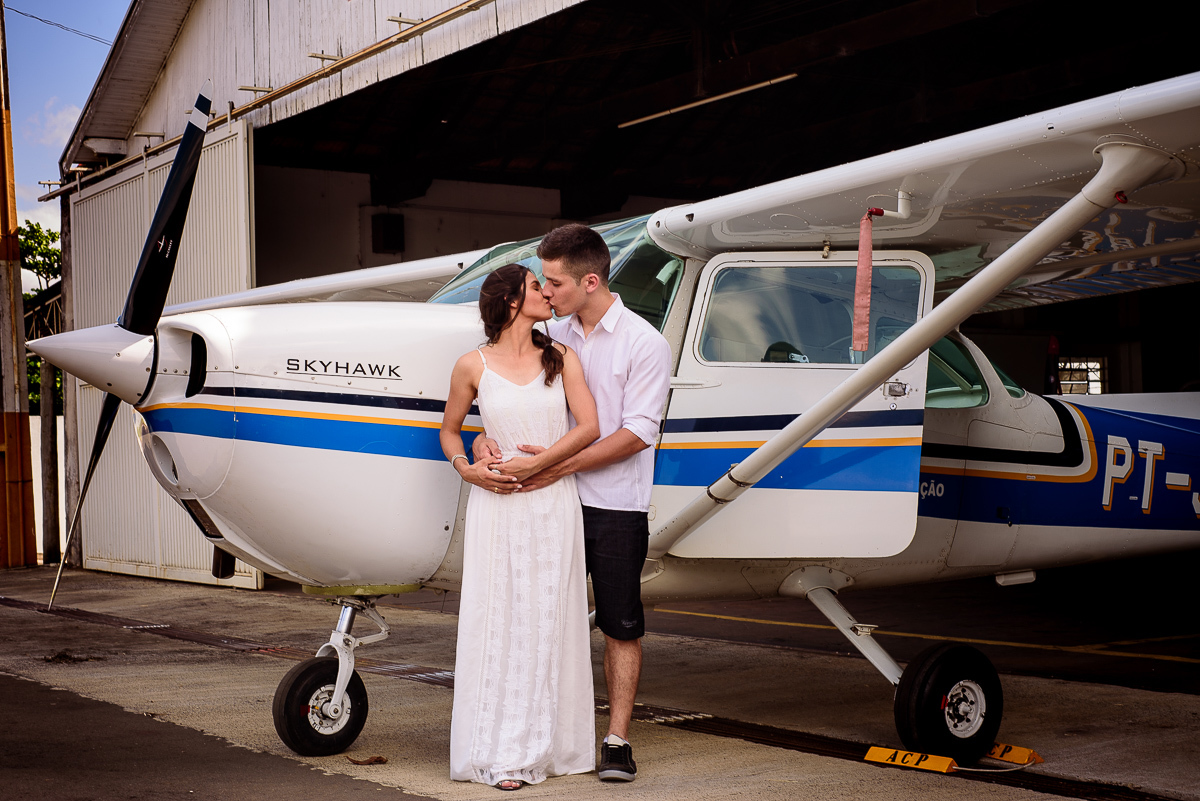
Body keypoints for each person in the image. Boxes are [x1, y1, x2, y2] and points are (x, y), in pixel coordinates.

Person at [475, 224, 672, 783]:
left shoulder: (644, 343)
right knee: (540, 617)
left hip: (613, 503)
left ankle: (616, 740)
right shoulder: (548, 337)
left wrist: (548, 466)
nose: (546, 290)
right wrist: (480, 441)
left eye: (554, 282)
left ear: (589, 280)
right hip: (547, 503)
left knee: (620, 621)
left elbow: (635, 433)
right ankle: (541, 735)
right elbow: (503, 398)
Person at [439, 264, 600, 791]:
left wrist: (541, 462)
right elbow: (450, 431)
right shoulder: (471, 365)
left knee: (546, 616)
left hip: (552, 500)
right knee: (501, 619)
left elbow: (591, 427)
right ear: (510, 301)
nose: (548, 294)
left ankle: (542, 745)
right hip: (497, 503)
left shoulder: (562, 358)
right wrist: (468, 467)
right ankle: (499, 750)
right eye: (537, 287)